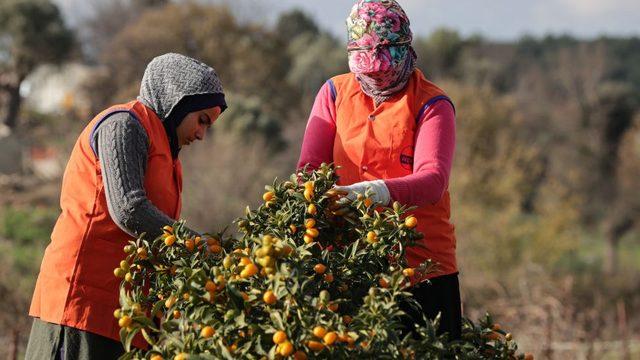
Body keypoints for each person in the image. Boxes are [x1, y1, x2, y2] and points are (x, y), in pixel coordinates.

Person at [25, 53, 227, 359]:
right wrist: (199, 246)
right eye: (201, 120)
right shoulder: (124, 125)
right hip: (83, 305)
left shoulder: (167, 154)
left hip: (125, 316)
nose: (201, 133)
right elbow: (129, 209)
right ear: (177, 102)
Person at [297, 0, 461, 339]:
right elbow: (309, 170)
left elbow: (433, 181)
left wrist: (377, 192)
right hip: (348, 263)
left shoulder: (431, 104)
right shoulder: (334, 92)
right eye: (367, 73)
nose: (376, 80)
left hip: (422, 269)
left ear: (406, 52)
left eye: (384, 71)